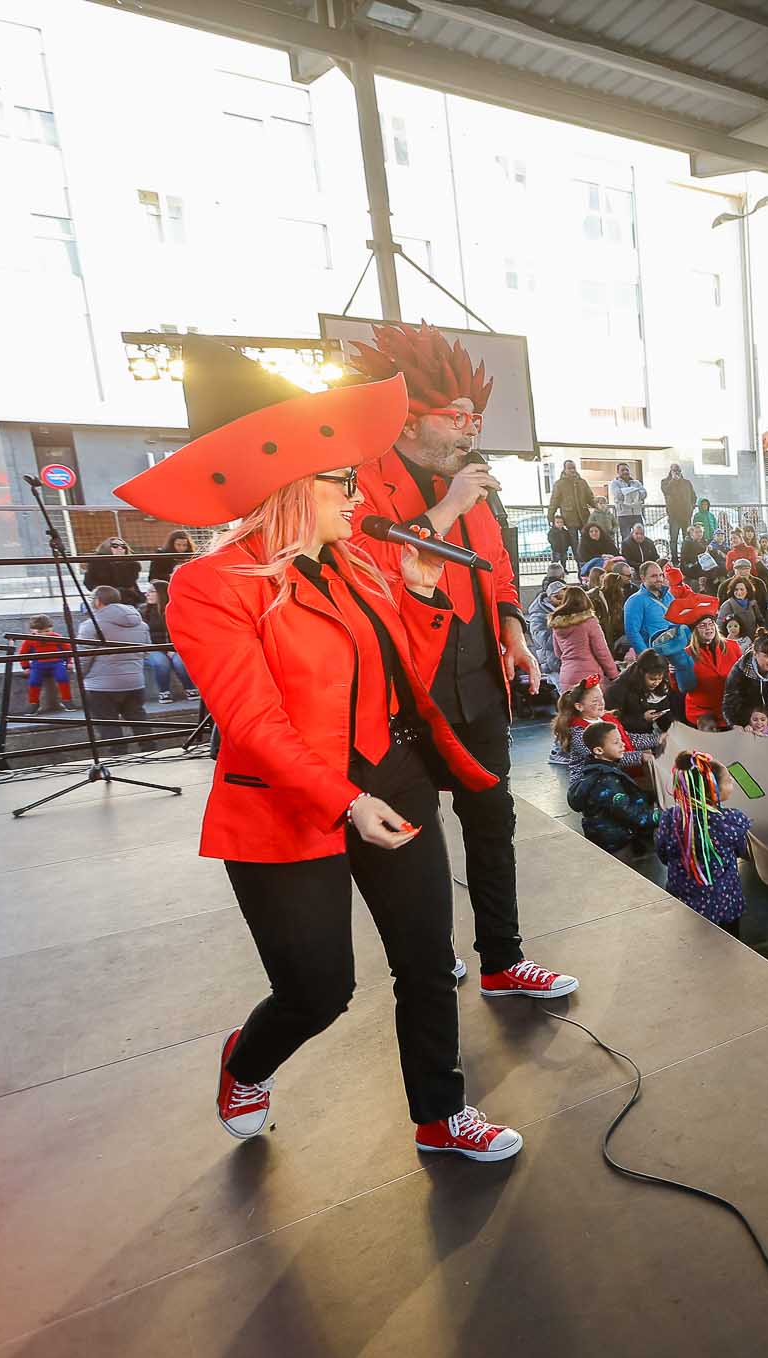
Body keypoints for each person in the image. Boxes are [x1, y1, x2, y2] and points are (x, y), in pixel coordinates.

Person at [113, 340, 522, 1160]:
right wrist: (342, 800)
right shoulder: (211, 586)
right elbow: (255, 723)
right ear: (296, 489)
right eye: (343, 481)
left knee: (426, 960)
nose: (356, 491)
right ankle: (247, 1059)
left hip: (390, 774)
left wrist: (420, 590)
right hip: (289, 803)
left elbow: (402, 654)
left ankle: (441, 1113)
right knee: (318, 988)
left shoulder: (356, 563)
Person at [346, 322, 574, 1001]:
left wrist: (513, 627)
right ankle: (429, 955)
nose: (469, 434)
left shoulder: (476, 486)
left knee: (491, 822)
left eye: (474, 420)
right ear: (411, 421)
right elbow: (369, 572)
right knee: (412, 837)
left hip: (477, 681)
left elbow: (498, 566)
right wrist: (446, 508)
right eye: (456, 420)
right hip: (402, 695)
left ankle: (504, 959)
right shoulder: (362, 482)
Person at [656, 750, 753, 935]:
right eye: (728, 781)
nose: (732, 782)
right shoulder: (731, 820)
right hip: (722, 900)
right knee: (726, 944)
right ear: (713, 789)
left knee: (690, 943)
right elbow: (743, 850)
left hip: (683, 896)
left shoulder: (670, 818)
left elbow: (662, 853)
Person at [566, 721, 659, 856]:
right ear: (598, 750)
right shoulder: (606, 780)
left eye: (621, 740)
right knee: (626, 873)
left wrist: (648, 795)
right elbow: (630, 813)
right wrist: (662, 816)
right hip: (615, 843)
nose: (623, 745)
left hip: (614, 836)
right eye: (616, 742)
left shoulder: (604, 769)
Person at [76, 584, 151, 750]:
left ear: (98, 601)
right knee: (138, 718)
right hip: (134, 681)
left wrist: (79, 676)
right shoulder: (141, 623)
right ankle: (151, 751)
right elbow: (146, 652)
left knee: (108, 725)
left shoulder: (91, 625)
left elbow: (82, 658)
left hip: (101, 686)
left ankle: (119, 756)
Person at [548, 585, 620, 692]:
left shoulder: (557, 624)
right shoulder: (589, 622)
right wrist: (614, 675)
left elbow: (558, 653)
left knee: (572, 708)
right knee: (592, 707)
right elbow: (601, 652)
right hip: (589, 676)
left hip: (567, 674)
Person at [721, 629, 768, 735]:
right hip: (745, 720)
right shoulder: (740, 670)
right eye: (766, 656)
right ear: (755, 654)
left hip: (766, 718)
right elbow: (729, 702)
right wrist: (734, 724)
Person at [18, 614, 73, 713]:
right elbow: (22, 654)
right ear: (32, 631)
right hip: (38, 665)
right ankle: (33, 703)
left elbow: (68, 650)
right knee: (34, 681)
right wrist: (25, 667)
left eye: (47, 631)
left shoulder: (57, 637)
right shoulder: (29, 640)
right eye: (39, 632)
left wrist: (69, 662)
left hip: (57, 663)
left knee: (62, 678)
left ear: (52, 628)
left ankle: (67, 700)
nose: (44, 634)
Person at [660, 462, 696, 539]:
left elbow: (693, 497)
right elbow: (666, 491)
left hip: (685, 515)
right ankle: (674, 552)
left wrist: (691, 509)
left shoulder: (686, 482)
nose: (677, 473)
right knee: (673, 539)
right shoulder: (665, 482)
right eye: (675, 471)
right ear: (671, 471)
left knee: (687, 538)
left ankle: (686, 551)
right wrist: (673, 481)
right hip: (673, 515)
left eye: (679, 471)